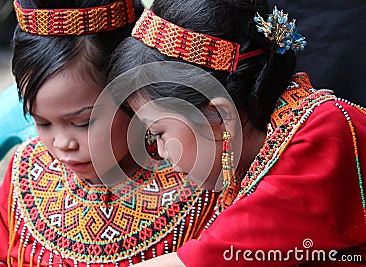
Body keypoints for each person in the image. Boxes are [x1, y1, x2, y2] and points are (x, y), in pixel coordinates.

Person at [105, 0, 366, 265]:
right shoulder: (264, 147)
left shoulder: (319, 139)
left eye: (157, 133)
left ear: (219, 114)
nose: (160, 153)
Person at [0, 0, 219, 266]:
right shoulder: (26, 172)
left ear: (133, 93)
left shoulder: (195, 177)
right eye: (42, 123)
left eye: (82, 123)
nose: (62, 143)